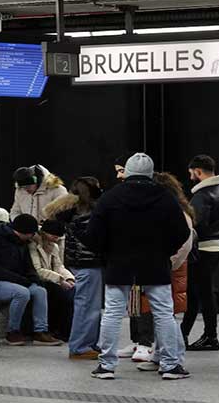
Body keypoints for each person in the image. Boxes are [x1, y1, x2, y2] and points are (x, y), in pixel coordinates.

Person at [84, 152, 191, 380]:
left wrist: (108, 253)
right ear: (151, 173)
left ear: (128, 171)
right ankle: (171, 366)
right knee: (164, 314)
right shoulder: (165, 197)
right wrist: (165, 252)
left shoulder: (111, 197)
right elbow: (182, 232)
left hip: (118, 264)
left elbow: (93, 234)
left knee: (112, 313)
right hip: (156, 264)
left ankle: (106, 366)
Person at [136, 172, 195, 373]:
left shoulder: (176, 212)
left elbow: (184, 245)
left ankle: (174, 358)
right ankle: (161, 356)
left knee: (165, 315)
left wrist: (166, 263)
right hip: (165, 266)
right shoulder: (172, 209)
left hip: (168, 268)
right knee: (160, 314)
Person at [0, 213, 63, 346]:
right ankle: (13, 331)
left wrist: (35, 279)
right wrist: (19, 279)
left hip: (16, 281)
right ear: (26, 233)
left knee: (40, 291)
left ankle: (40, 331)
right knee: (22, 292)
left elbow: (28, 266)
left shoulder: (22, 242)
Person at [181, 154, 219, 351]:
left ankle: (209, 336)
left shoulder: (202, 196)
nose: (190, 178)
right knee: (201, 292)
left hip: (203, 250)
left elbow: (195, 226)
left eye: (191, 174)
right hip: (218, 246)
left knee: (202, 294)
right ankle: (185, 334)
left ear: (198, 171)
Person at [45, 177, 104, 360]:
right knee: (87, 306)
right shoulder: (88, 213)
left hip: (78, 263)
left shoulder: (69, 211)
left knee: (86, 305)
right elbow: (96, 240)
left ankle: (87, 344)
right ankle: (80, 347)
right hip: (89, 262)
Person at [112, 154, 155, 362]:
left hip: (148, 261)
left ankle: (147, 344)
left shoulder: (156, 195)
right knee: (135, 302)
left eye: (122, 170)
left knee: (148, 304)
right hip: (131, 261)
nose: (120, 175)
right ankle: (139, 341)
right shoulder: (119, 195)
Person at [29, 219, 75, 341]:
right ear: (44, 233)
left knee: (72, 292)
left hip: (51, 278)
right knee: (62, 295)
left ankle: (67, 331)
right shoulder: (33, 244)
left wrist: (69, 278)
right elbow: (37, 270)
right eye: (54, 236)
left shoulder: (53, 245)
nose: (56, 239)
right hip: (38, 279)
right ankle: (61, 331)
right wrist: (60, 280)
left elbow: (59, 265)